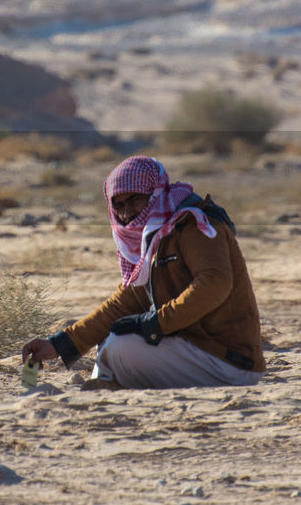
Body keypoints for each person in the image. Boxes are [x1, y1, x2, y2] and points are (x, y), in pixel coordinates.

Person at [22, 155, 264, 389]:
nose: (127, 214)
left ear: (155, 193)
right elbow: (124, 303)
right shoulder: (155, 239)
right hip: (194, 347)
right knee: (111, 336)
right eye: (119, 206)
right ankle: (104, 386)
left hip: (230, 361)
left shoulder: (193, 224)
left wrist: (155, 323)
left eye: (135, 200)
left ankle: (109, 384)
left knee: (121, 344)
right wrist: (59, 345)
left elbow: (215, 284)